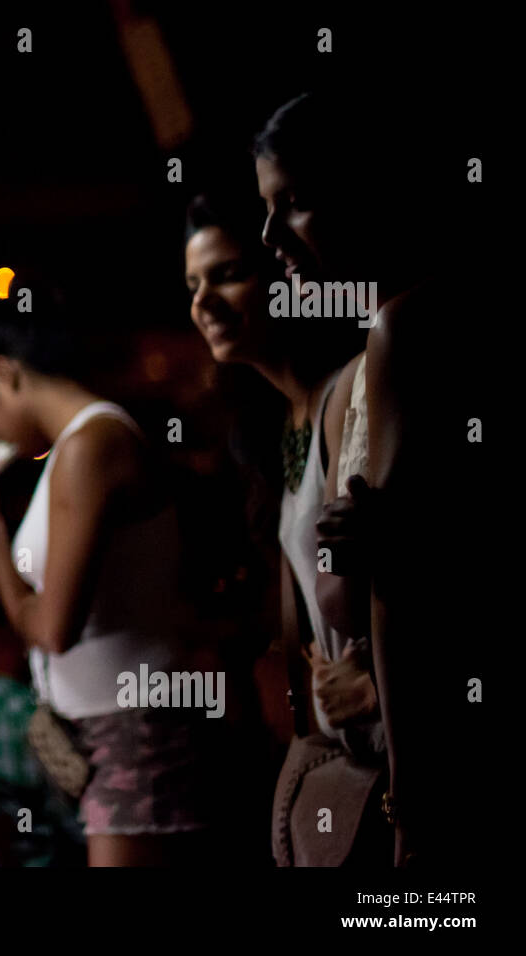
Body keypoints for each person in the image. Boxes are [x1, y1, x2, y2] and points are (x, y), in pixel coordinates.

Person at [254, 91, 495, 866]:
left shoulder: (407, 330)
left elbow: (399, 607)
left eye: (293, 203)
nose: (271, 236)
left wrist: (413, 804)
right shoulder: (382, 348)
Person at [0, 286, 217, 866]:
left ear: (6, 375)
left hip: (133, 731)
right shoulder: (75, 449)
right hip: (114, 729)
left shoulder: (90, 447)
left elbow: (51, 630)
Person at [184, 189, 387, 865]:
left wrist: (383, 684)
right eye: (193, 284)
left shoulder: (353, 391)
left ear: (283, 273)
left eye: (228, 273)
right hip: (344, 757)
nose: (203, 302)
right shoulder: (282, 433)